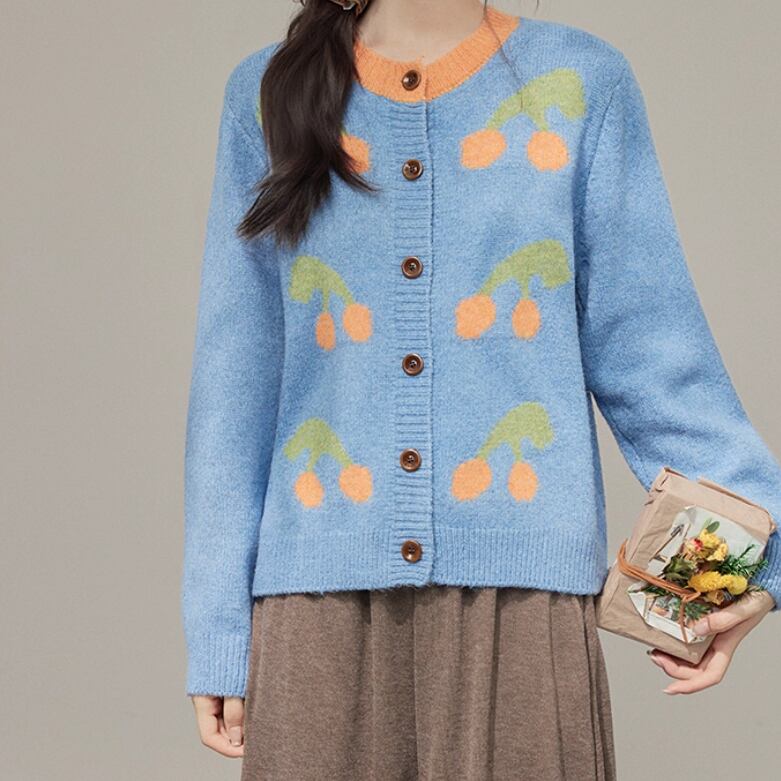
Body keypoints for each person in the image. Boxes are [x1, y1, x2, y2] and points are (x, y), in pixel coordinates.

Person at [181, 1, 781, 778]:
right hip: (313, 612)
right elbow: (235, 386)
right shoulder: (265, 94)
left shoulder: (581, 81)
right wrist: (220, 629)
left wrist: (751, 563)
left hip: (522, 610)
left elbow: (655, 353)